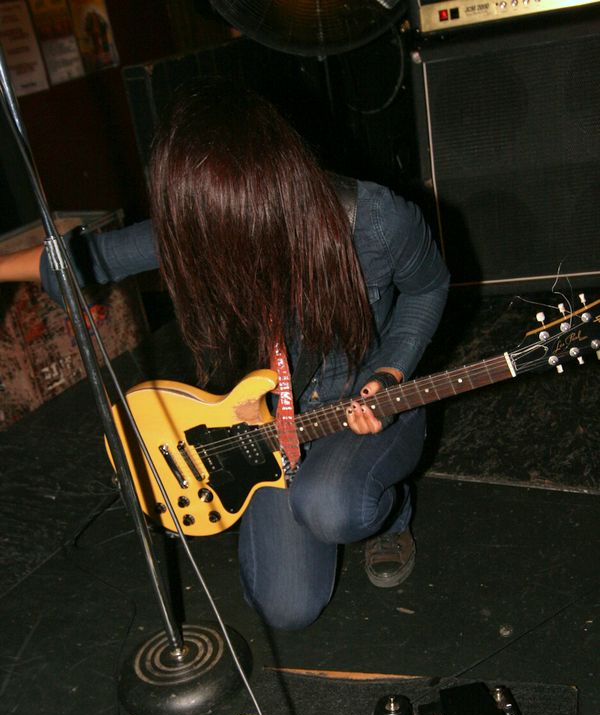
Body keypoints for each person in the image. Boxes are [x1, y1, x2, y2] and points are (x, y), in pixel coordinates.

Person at [0, 79, 449, 630]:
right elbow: (87, 259)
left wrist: (389, 372)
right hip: (267, 424)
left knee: (334, 508)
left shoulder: (377, 219)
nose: (215, 244)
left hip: (366, 404)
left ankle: (391, 514)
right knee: (287, 610)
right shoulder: (205, 223)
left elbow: (429, 288)